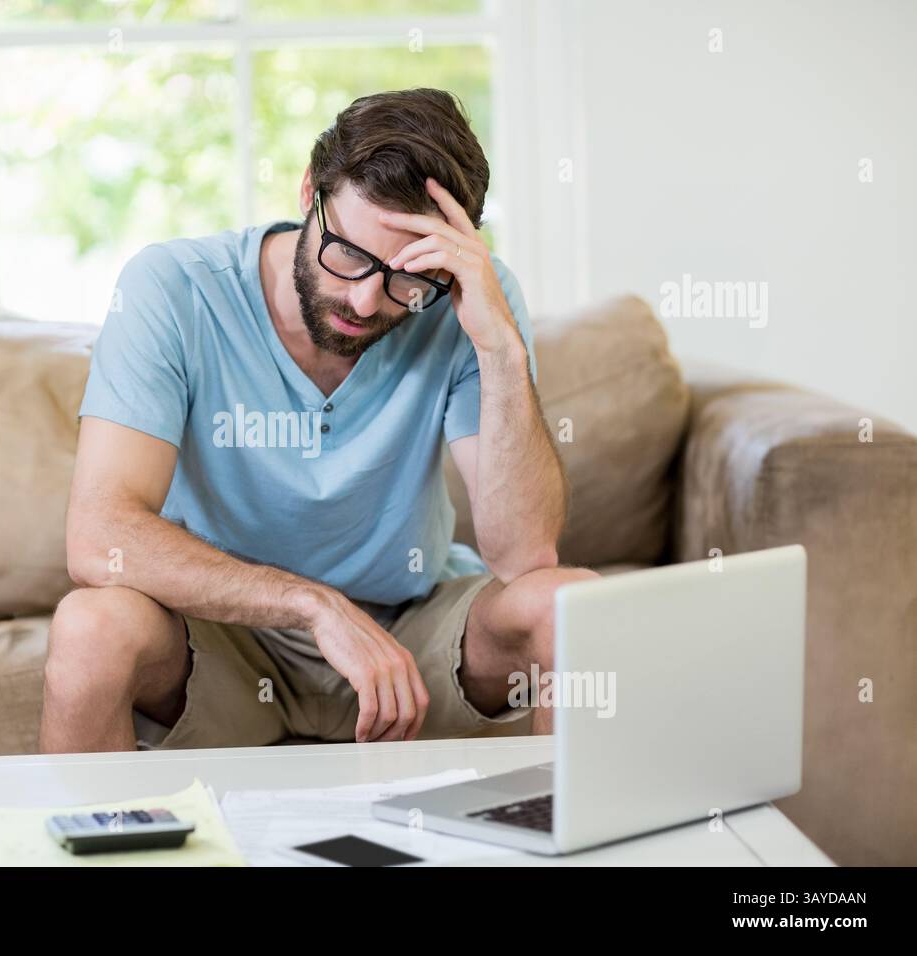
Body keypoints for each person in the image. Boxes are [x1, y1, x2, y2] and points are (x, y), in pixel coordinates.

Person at [39, 88, 594, 753]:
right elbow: (100, 537)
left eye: (406, 277)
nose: (366, 300)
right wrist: (314, 605)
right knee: (89, 627)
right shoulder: (175, 287)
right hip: (224, 641)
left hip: (409, 637)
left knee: (573, 608)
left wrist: (500, 348)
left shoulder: (470, 300)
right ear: (310, 192)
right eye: (351, 255)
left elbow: (525, 554)